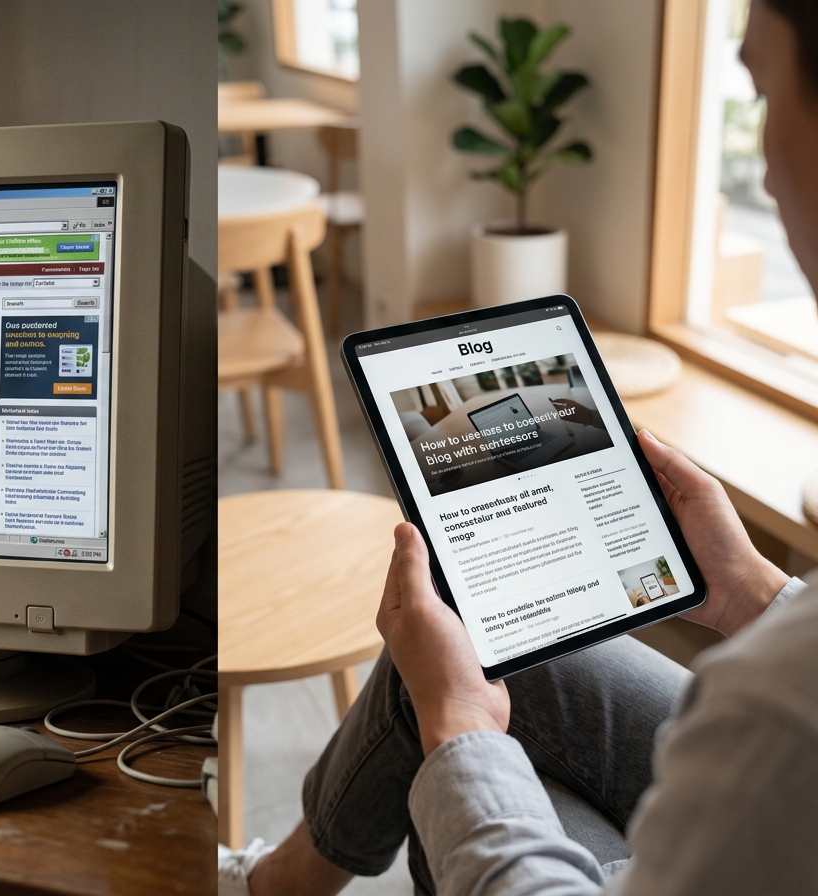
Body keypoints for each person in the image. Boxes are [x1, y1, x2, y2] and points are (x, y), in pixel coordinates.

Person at [220, 0, 818, 892]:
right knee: (494, 641)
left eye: (765, 92)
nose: (763, 170)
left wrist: (459, 731)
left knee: (463, 733)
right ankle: (281, 878)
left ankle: (273, 883)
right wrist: (757, 598)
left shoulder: (774, 719)